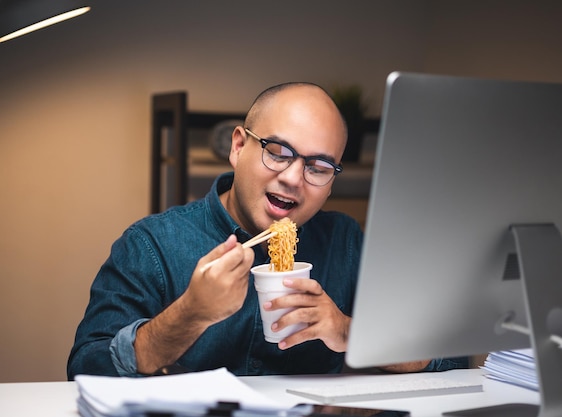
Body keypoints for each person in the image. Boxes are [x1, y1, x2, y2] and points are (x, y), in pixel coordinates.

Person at [67, 82, 468, 379]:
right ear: (239, 147)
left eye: (319, 167)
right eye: (278, 152)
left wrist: (347, 331)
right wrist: (190, 315)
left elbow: (449, 357)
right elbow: (87, 369)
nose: (294, 178)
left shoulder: (344, 241)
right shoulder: (151, 245)